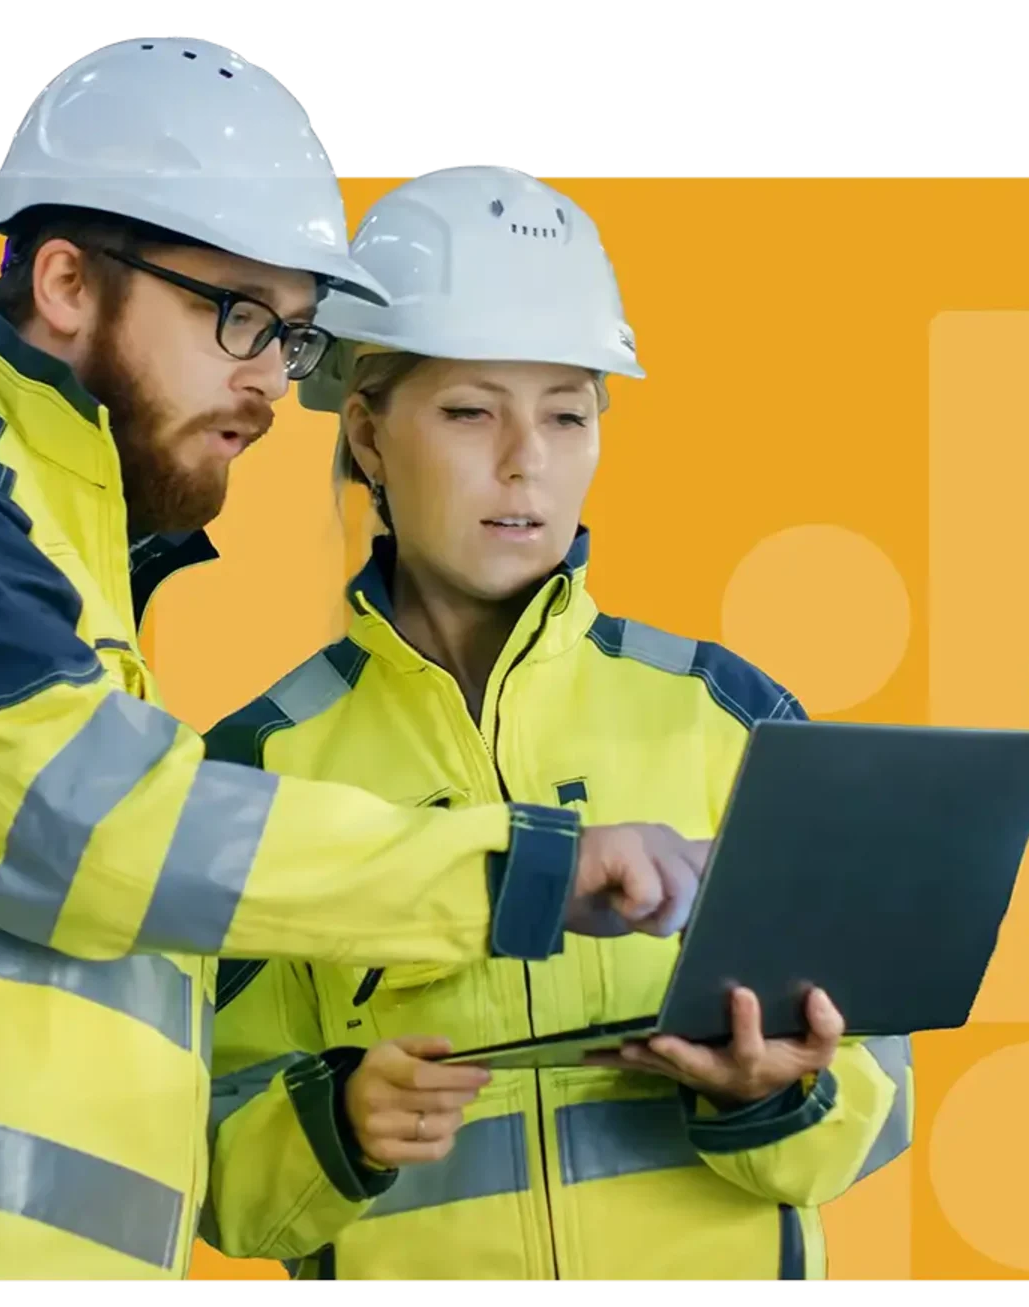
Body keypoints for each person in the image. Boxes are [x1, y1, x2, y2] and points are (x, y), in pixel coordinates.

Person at [0, 43, 712, 1286]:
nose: (261, 382)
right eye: (234, 314)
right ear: (71, 283)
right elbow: (89, 829)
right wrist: (523, 868)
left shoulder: (73, 573)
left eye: (290, 337)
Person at [199, 165, 915, 1284]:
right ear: (372, 438)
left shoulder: (729, 713)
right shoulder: (255, 766)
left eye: (568, 412)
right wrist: (334, 1117)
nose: (526, 459)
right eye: (472, 410)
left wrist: (776, 1088)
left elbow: (879, 1096)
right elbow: (205, 1149)